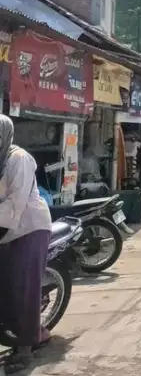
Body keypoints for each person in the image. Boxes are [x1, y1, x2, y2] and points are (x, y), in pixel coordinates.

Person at [0, 114, 53, 370]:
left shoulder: (17, 159)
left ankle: (24, 349)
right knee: (6, 288)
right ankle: (35, 331)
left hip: (29, 227)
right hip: (5, 229)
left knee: (23, 288)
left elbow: (14, 203)